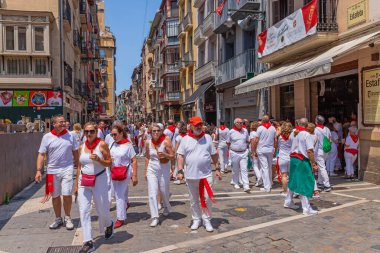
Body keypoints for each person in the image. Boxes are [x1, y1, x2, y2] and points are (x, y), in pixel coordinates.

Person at [74, 122, 114, 252]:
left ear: (96, 132)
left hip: (99, 179)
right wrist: (76, 184)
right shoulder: (81, 147)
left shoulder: (102, 145)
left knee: (101, 209)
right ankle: (88, 241)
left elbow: (109, 163)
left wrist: (99, 160)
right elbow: (79, 166)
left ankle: (109, 224)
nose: (89, 134)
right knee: (84, 210)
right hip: (84, 180)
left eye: (91, 131)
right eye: (86, 132)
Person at [177, 117, 221, 232]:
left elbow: (214, 154)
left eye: (200, 124)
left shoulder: (207, 138)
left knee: (206, 199)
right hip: (191, 176)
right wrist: (180, 171)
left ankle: (206, 219)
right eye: (196, 124)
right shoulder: (185, 139)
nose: (198, 126)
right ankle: (196, 219)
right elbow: (180, 156)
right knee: (194, 200)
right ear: (190, 126)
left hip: (206, 175)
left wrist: (217, 168)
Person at [35, 115, 79, 230]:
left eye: (64, 121)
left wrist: (78, 166)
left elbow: (75, 151)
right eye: (60, 122)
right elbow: (41, 154)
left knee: (67, 193)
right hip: (52, 171)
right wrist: (38, 170)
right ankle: (58, 218)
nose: (63, 123)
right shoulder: (47, 137)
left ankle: (68, 217)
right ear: (54, 124)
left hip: (67, 169)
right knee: (55, 195)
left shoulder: (71, 135)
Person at [284, 118, 318, 216]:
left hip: (293, 158)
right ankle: (306, 208)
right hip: (302, 160)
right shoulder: (306, 134)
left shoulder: (294, 132)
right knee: (305, 182)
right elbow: (310, 151)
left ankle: (288, 201)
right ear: (307, 125)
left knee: (293, 180)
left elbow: (291, 143)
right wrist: (314, 164)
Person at [145, 124, 175, 227]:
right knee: (152, 193)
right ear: (151, 132)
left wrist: (165, 155)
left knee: (163, 191)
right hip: (152, 169)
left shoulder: (166, 141)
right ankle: (155, 217)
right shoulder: (148, 143)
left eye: (158, 130)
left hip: (164, 168)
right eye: (154, 131)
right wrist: (146, 170)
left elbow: (172, 156)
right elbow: (147, 157)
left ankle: (166, 206)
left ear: (161, 131)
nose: (156, 132)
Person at [109, 124, 138, 229]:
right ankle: (126, 203)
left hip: (124, 172)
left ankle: (120, 218)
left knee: (119, 194)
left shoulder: (128, 145)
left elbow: (134, 160)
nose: (113, 136)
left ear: (121, 133)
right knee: (116, 192)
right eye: (112, 134)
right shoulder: (112, 144)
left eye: (115, 134)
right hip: (113, 171)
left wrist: (134, 175)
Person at [252, 115, 277, 193]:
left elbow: (256, 140)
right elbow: (275, 140)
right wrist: (274, 150)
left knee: (265, 168)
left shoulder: (260, 128)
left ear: (262, 121)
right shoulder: (273, 128)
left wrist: (254, 150)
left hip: (262, 150)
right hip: (270, 150)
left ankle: (267, 186)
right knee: (268, 167)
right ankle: (269, 183)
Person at [227, 118, 250, 192]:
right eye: (239, 123)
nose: (241, 124)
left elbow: (247, 140)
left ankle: (246, 185)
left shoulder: (245, 131)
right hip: (234, 153)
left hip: (243, 152)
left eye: (242, 123)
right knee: (235, 169)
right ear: (235, 123)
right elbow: (228, 142)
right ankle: (235, 182)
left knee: (244, 169)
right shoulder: (231, 132)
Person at [314, 115, 332, 192]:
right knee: (322, 166)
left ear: (316, 121)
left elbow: (314, 141)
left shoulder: (315, 130)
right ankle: (321, 182)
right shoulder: (327, 129)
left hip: (319, 150)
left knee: (322, 167)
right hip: (326, 150)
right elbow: (330, 140)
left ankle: (327, 185)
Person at [277, 122, 293, 195]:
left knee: (284, 175)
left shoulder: (279, 137)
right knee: (292, 175)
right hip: (291, 157)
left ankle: (285, 191)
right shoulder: (293, 136)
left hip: (282, 157)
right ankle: (293, 191)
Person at [249, 121, 262, 187]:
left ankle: (259, 177)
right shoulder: (258, 132)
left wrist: (252, 151)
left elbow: (252, 143)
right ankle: (260, 178)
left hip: (255, 150)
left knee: (255, 165)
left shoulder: (252, 133)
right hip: (260, 150)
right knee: (259, 165)